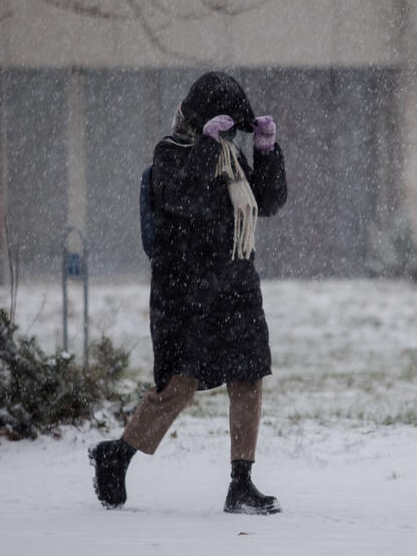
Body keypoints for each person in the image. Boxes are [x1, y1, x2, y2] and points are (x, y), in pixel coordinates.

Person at [89, 71, 287, 515]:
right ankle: (117, 455)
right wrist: (206, 148)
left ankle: (241, 483)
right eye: (226, 125)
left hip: (235, 287)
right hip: (186, 295)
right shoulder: (171, 153)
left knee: (248, 378)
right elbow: (187, 201)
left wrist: (266, 152)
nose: (232, 134)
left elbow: (269, 202)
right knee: (179, 386)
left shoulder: (232, 157)